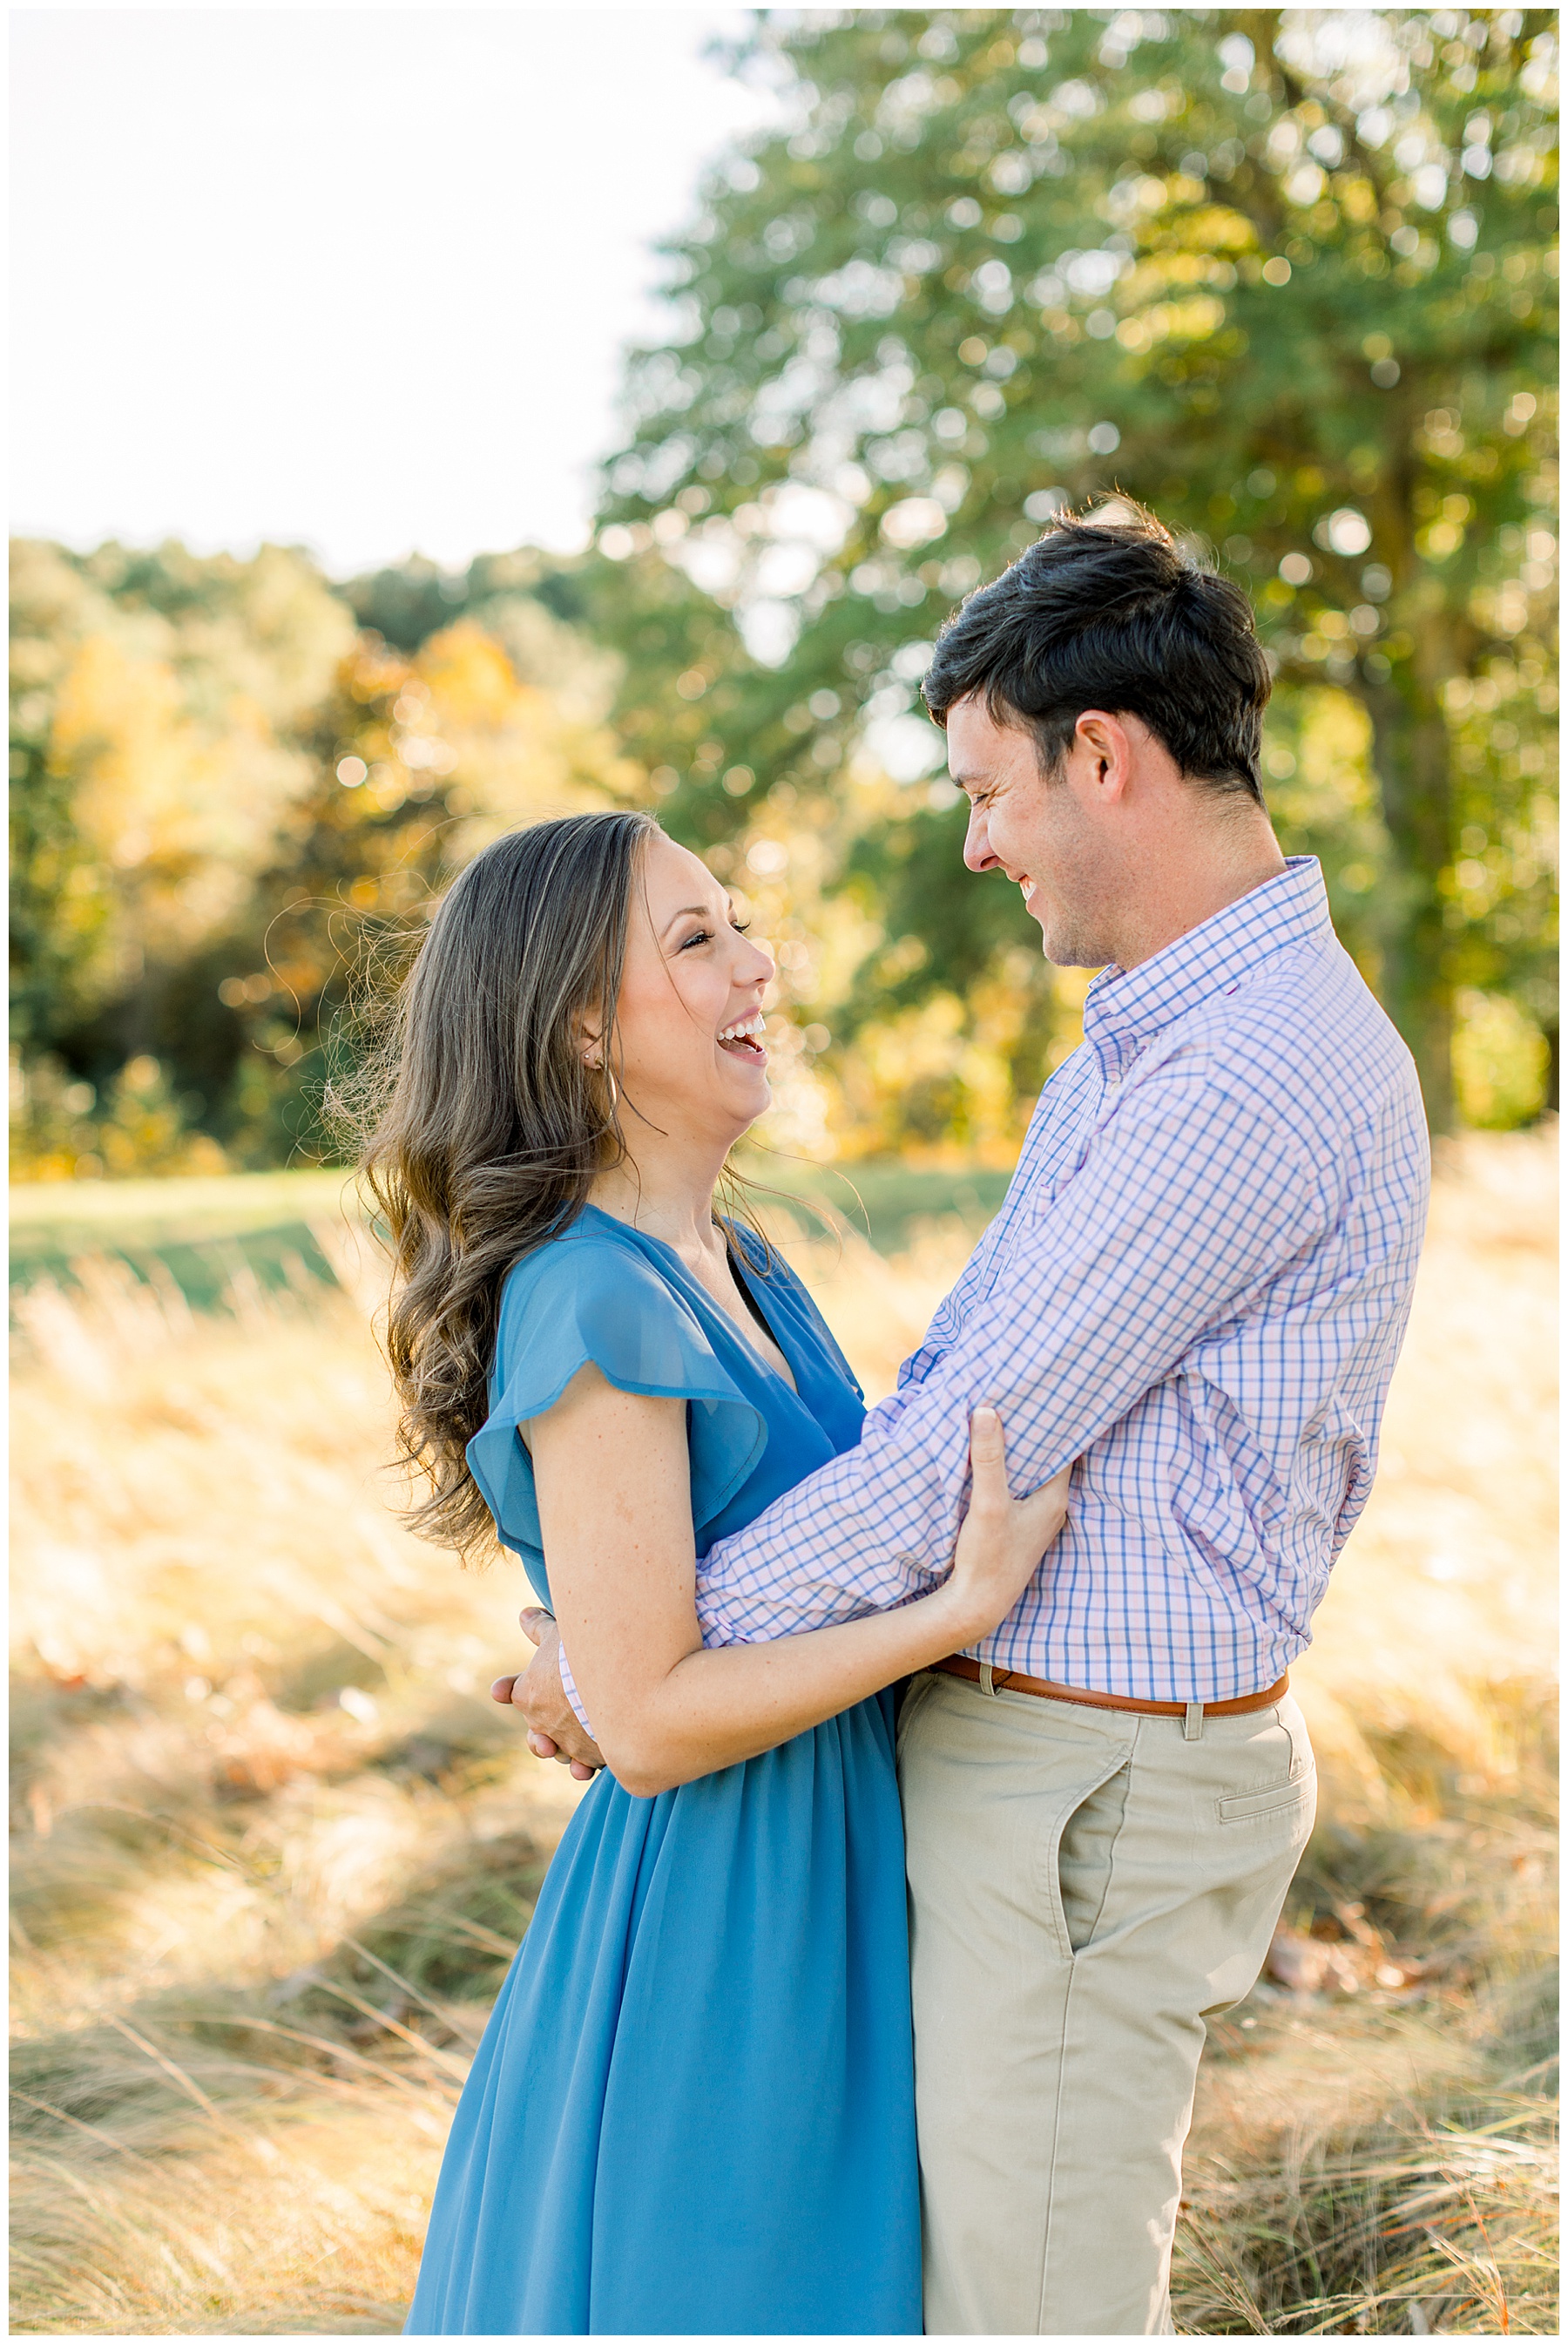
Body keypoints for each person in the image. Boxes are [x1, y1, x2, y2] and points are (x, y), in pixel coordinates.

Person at [511, 508, 1431, 2335]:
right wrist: (646, 1649)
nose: (974, 838)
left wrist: (632, 1663)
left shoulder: (1240, 1076)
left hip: (1087, 1795)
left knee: (1036, 2315)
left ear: (1105, 758)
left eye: (988, 785)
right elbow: (952, 1385)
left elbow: (962, 1464)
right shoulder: (1152, 1038)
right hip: (1029, 1772)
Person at [370, 808, 1070, 2335]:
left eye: (739, 924)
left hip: (827, 1881)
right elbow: (656, 1716)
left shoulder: (744, 1266)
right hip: (723, 1936)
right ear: (578, 1026)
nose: (757, 963)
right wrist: (953, 1610)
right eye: (696, 940)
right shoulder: (591, 1301)